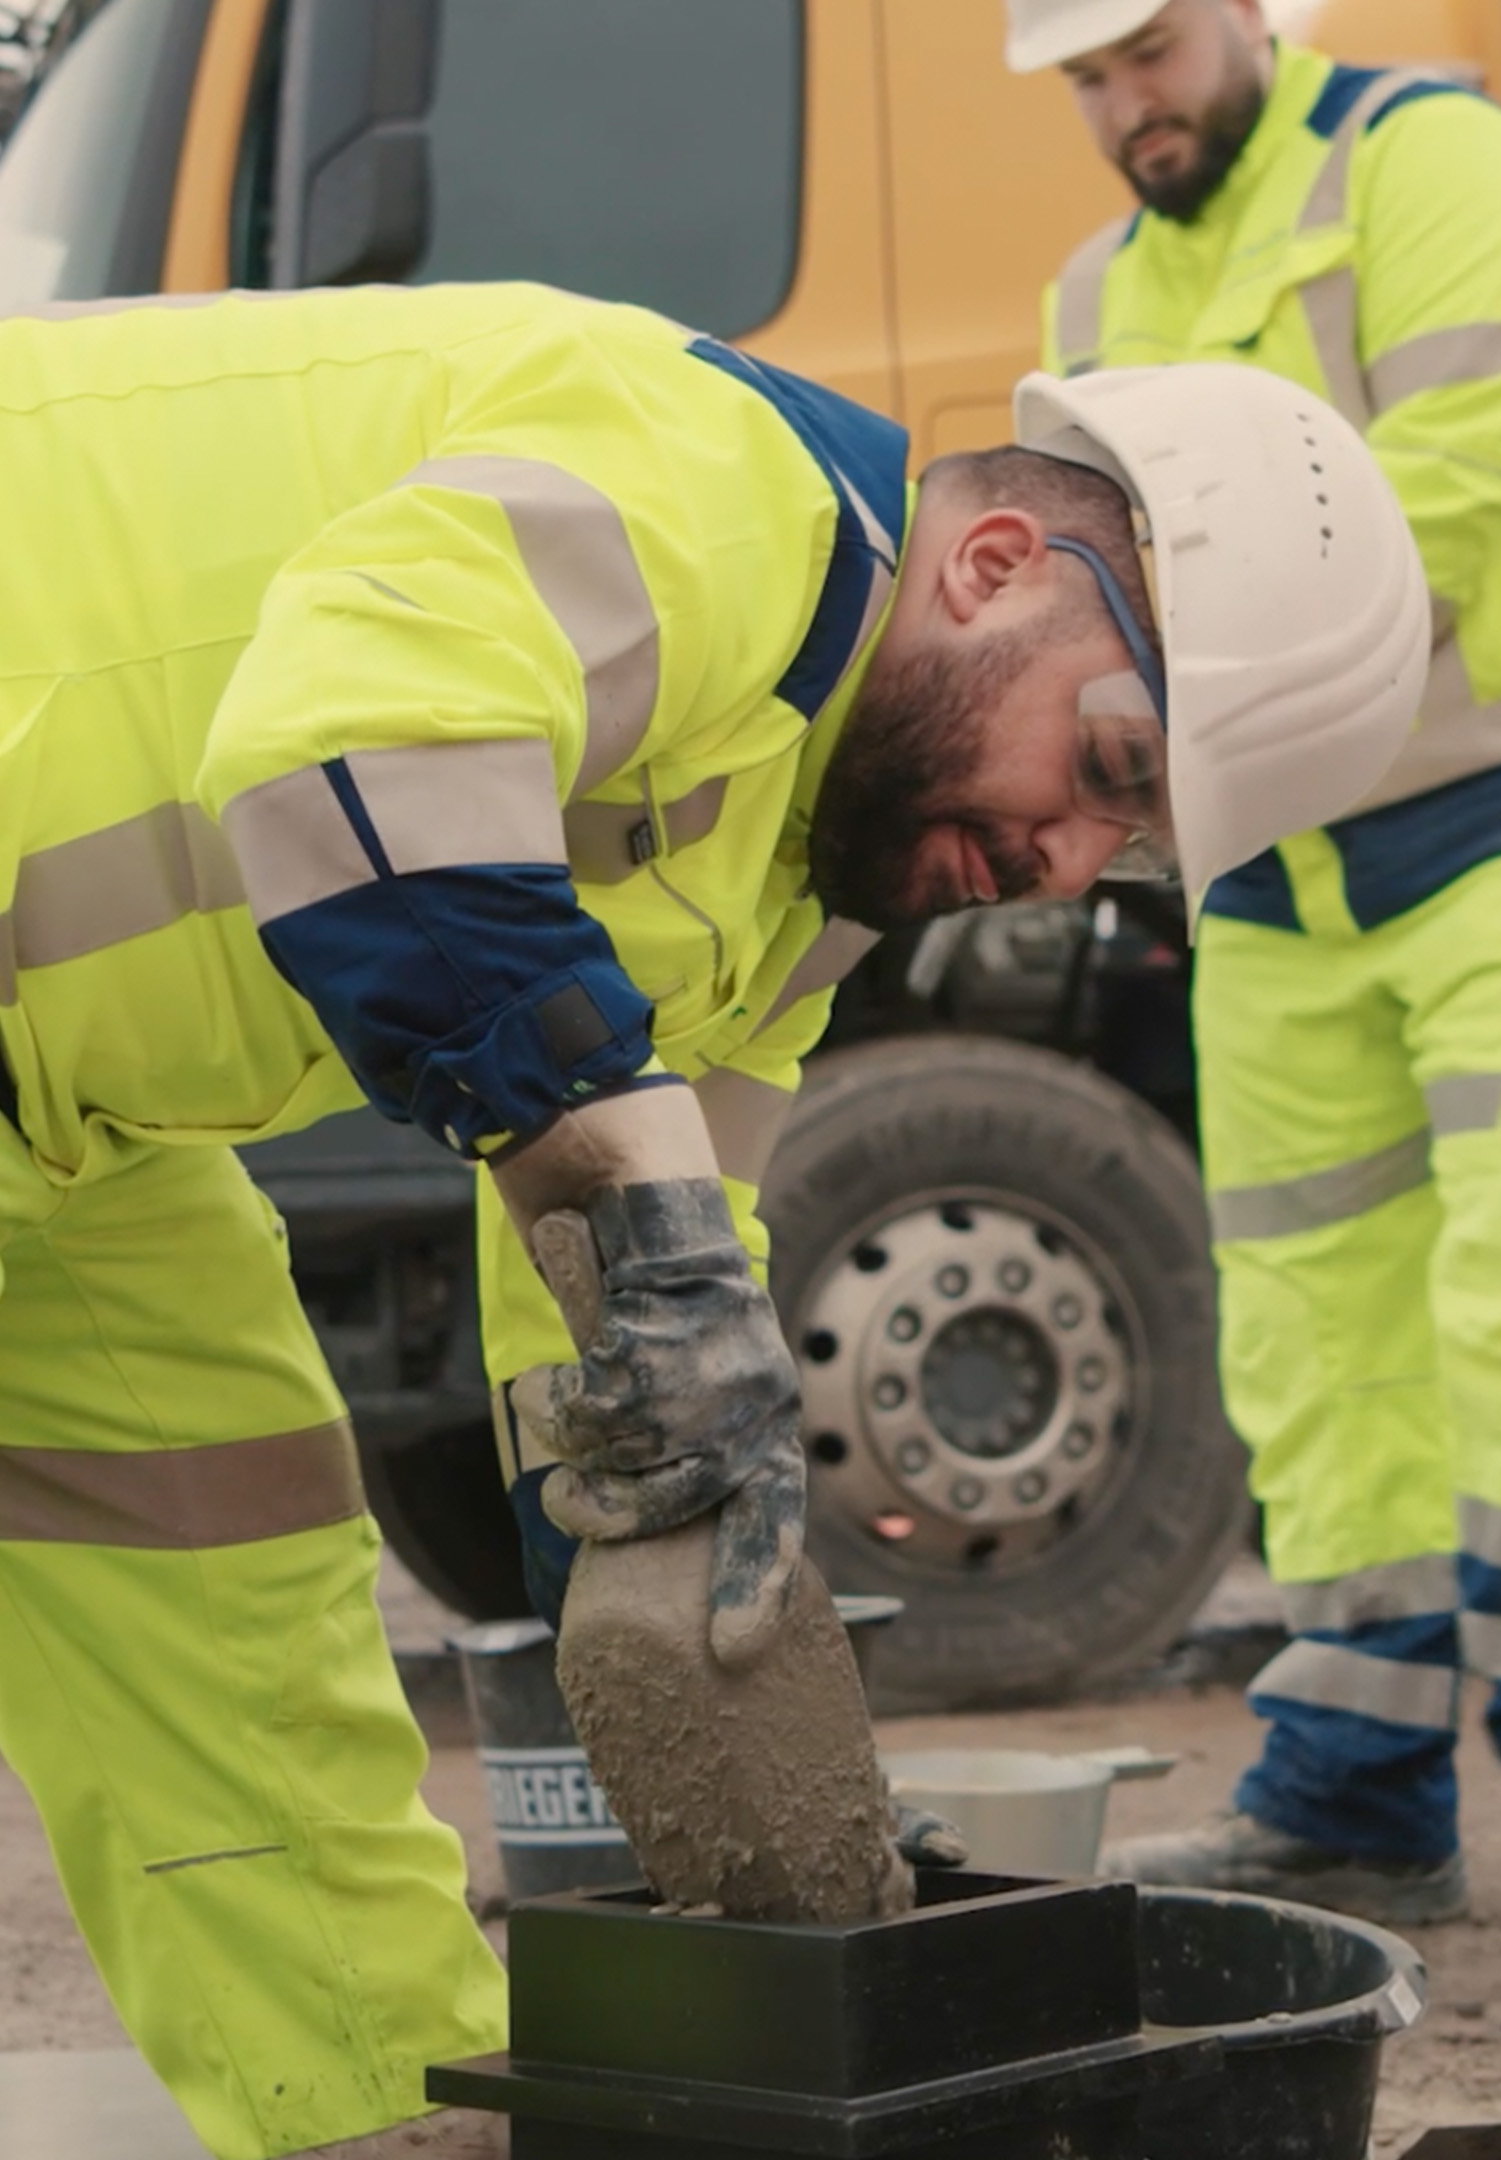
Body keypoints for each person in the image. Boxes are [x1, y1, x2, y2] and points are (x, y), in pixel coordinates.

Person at [0, 280, 1425, 2157]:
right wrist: (633, 1222)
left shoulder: (789, 907)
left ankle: (361, 2132)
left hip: (62, 1132)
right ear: (994, 562)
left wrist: (724, 1659)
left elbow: (630, 1308)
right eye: (1105, 772)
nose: (1064, 869)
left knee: (243, 1614)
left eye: (1129, 853)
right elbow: (345, 742)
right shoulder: (719, 493)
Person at [1008, 0, 1501, 1953]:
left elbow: (1468, 473)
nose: (1122, 104)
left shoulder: (1432, 162)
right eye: (1084, 80)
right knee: (1322, 1348)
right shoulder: (1092, 288)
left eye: (1144, 55)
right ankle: (1358, 1803)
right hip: (1278, 859)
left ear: (1241, 16)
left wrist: (1193, 674)